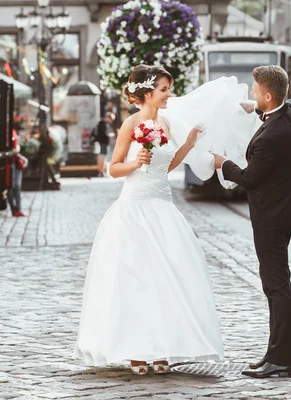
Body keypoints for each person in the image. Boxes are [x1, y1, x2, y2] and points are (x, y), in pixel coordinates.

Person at [74, 65, 224, 376]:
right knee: (135, 281)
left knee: (167, 279)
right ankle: (136, 353)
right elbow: (113, 168)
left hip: (163, 207)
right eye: (164, 90)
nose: (169, 95)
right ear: (146, 94)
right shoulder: (130, 123)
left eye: (169, 89)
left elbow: (166, 167)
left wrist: (188, 144)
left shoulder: (166, 124)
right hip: (134, 208)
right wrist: (134, 162)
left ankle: (162, 349)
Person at [213, 65, 291, 379]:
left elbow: (249, 178)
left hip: (271, 216)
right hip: (288, 208)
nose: (252, 94)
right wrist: (251, 109)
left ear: (268, 96)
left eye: (255, 92)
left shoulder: (272, 137)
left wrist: (222, 163)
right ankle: (275, 354)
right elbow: (280, 110)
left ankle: (281, 361)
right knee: (276, 283)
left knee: (276, 285)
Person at [7, 129, 27, 217]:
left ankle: (18, 208)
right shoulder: (7, 132)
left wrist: (17, 151)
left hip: (15, 161)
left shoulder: (13, 131)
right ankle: (14, 208)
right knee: (11, 186)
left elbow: (16, 146)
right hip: (10, 161)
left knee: (17, 186)